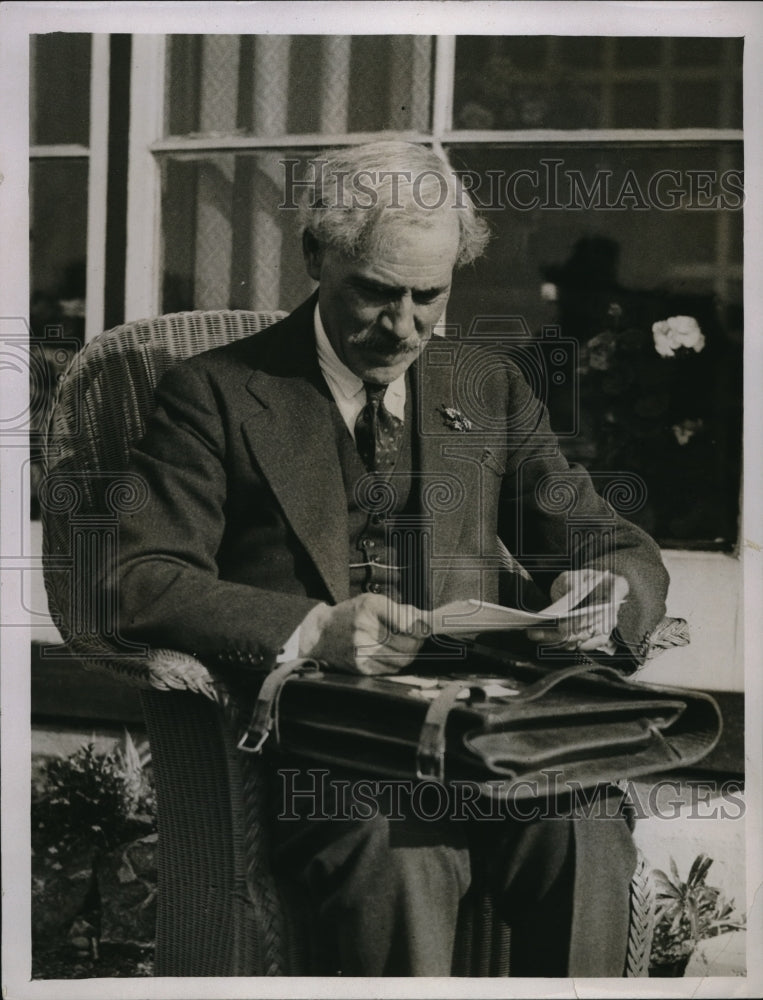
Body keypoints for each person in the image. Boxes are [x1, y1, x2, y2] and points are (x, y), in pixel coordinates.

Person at [115, 140, 670, 977]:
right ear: (315, 256)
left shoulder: (486, 388)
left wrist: (603, 598)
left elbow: (612, 543)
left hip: (487, 736)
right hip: (332, 750)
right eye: (374, 294)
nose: (405, 326)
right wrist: (313, 630)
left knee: (583, 825)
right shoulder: (215, 393)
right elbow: (139, 578)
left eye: (429, 297)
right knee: (402, 859)